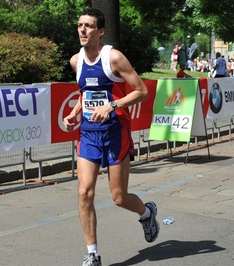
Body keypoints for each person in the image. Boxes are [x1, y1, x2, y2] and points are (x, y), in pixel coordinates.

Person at [63, 8, 159, 266]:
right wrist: (74, 113)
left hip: (116, 133)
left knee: (119, 197)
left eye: (89, 26)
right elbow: (86, 93)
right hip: (89, 134)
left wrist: (112, 106)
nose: (83, 30)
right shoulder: (76, 61)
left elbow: (141, 92)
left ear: (101, 31)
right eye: (80, 25)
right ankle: (92, 253)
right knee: (84, 193)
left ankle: (147, 212)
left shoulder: (113, 58)